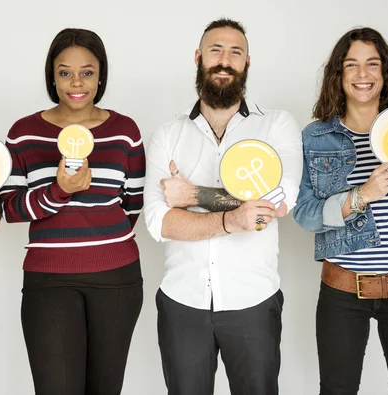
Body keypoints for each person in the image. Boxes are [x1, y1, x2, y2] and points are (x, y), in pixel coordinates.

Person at [144, 18, 302, 395]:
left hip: (253, 302)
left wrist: (194, 196)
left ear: (247, 63)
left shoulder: (276, 126)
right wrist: (234, 218)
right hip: (182, 302)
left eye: (235, 52)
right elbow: (159, 221)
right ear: (198, 57)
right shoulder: (169, 134)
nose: (225, 60)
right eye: (216, 50)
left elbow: (278, 203)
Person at [293, 27, 388, 395]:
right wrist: (361, 195)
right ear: (338, 74)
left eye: (372, 64)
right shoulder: (315, 138)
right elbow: (303, 213)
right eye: (351, 65)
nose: (362, 75)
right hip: (342, 293)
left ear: (385, 72)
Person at [0, 28, 145, 395]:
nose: (76, 82)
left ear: (101, 76)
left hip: (117, 279)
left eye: (87, 72)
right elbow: (11, 208)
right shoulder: (23, 134)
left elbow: (133, 206)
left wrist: (97, 234)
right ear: (52, 75)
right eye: (65, 72)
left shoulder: (125, 132)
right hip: (49, 281)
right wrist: (59, 192)